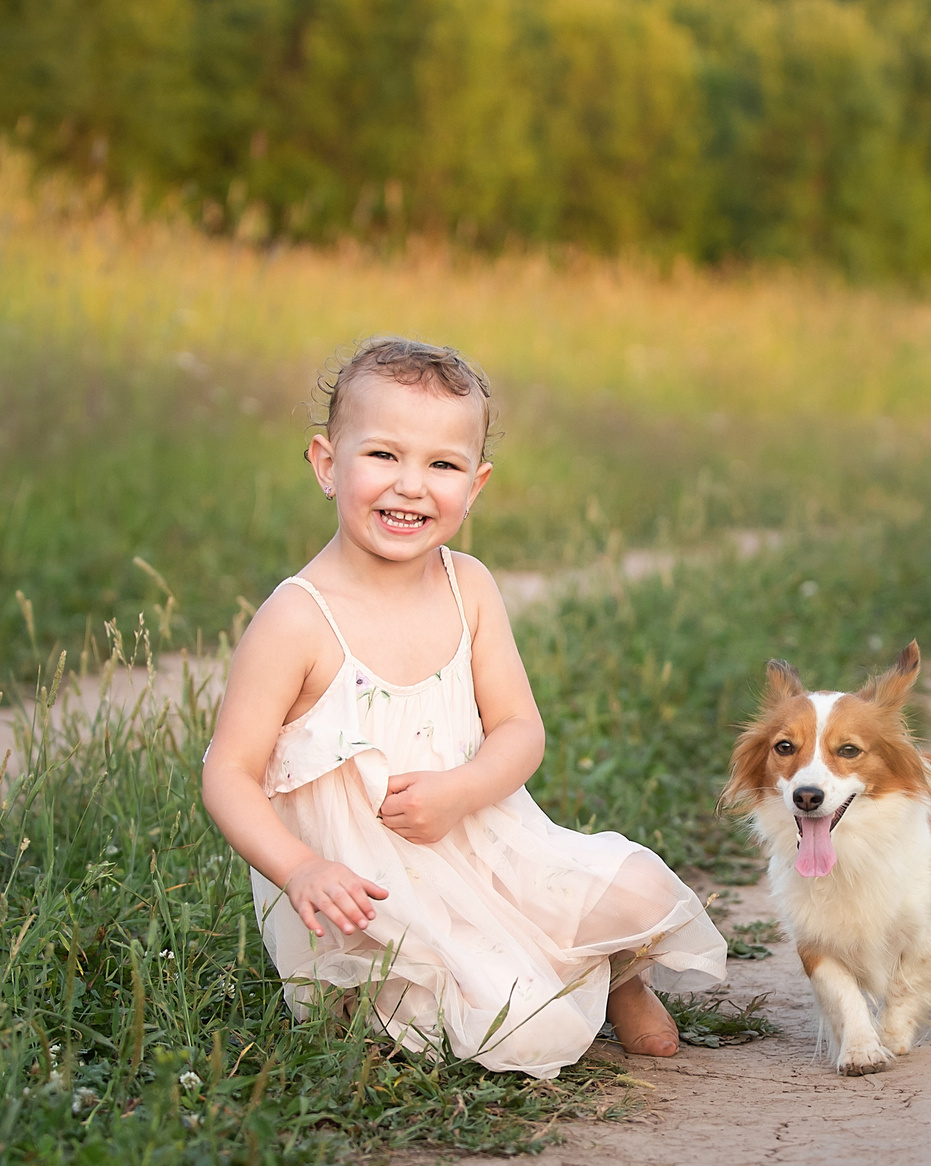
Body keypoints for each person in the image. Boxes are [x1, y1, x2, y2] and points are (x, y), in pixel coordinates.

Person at [202, 336, 725, 1076]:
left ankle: (616, 973)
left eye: (442, 465)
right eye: (383, 455)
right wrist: (301, 869)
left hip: (484, 844)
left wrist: (461, 791)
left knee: (639, 890)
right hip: (369, 893)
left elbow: (519, 729)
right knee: (517, 1026)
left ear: (475, 485)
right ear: (327, 463)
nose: (411, 486)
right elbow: (228, 771)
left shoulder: (468, 587)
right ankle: (563, 974)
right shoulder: (297, 620)